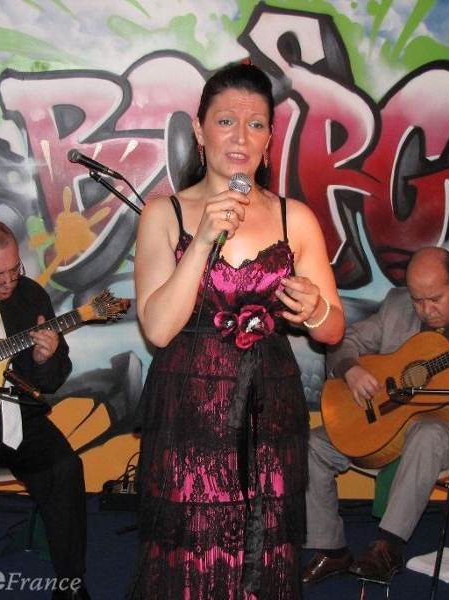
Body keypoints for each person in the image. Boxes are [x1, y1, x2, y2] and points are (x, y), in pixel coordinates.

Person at [127, 63, 344, 599]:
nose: (241, 137)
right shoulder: (163, 213)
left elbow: (333, 330)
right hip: (190, 411)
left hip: (270, 408)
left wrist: (315, 309)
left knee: (263, 545)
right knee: (192, 550)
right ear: (199, 131)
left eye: (256, 125)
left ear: (270, 139)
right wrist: (201, 240)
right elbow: (158, 329)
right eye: (226, 121)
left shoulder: (296, 217)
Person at [303, 246, 449, 586]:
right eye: (418, 300)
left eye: (435, 299)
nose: (426, 310)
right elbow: (345, 340)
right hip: (392, 421)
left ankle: (388, 546)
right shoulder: (397, 305)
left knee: (427, 431)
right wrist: (350, 369)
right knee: (313, 444)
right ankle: (332, 549)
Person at [0, 219, 89, 599]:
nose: (8, 282)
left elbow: (53, 380)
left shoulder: (31, 297)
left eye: (14, 270)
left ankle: (71, 584)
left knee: (65, 468)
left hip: (19, 416)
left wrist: (46, 358)